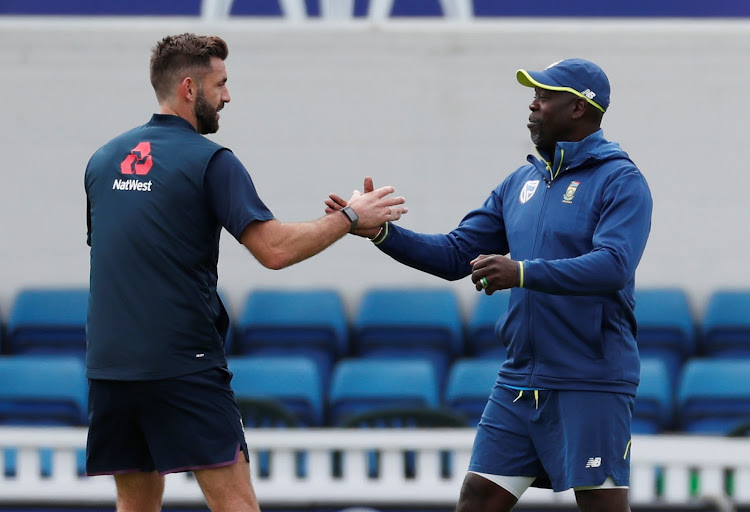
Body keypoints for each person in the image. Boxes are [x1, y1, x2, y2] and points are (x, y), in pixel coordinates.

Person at [83, 33, 406, 512]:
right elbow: (273, 251)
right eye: (221, 85)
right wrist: (351, 217)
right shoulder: (213, 161)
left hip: (109, 368)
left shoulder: (102, 160)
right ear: (190, 89)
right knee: (235, 505)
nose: (228, 97)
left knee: (135, 506)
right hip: (182, 364)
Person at [327, 58, 652, 512]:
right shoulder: (519, 182)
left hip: (591, 379)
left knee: (601, 507)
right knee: (478, 498)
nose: (533, 105)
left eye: (545, 95)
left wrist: (521, 272)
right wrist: (381, 232)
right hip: (520, 379)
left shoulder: (621, 180)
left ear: (579, 108)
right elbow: (455, 255)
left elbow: (613, 265)